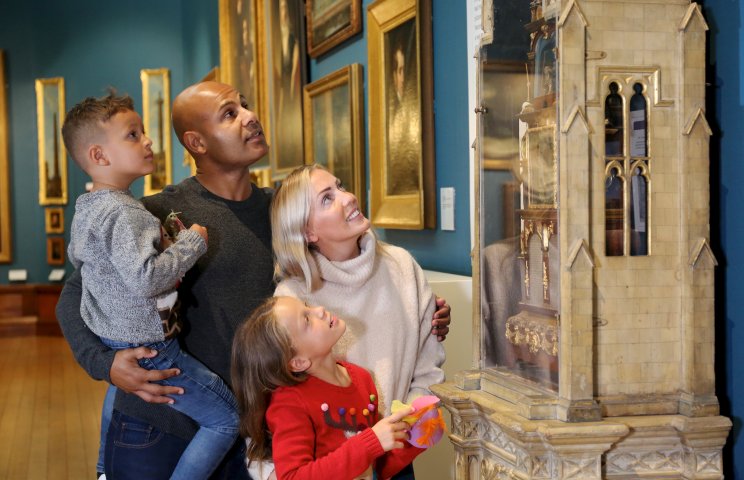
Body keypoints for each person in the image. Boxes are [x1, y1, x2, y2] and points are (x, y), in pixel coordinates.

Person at [56, 80, 450, 480]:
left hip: (254, 434)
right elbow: (74, 295)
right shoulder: (155, 212)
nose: (250, 117)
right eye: (230, 114)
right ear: (198, 142)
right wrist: (105, 364)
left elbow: (335, 279)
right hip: (162, 421)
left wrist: (420, 312)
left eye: (245, 106)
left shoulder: (282, 213)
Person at [62, 92, 241, 480]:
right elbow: (146, 279)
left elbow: (83, 263)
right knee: (227, 419)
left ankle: (102, 469)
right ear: (99, 156)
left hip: (117, 338)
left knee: (119, 397)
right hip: (152, 344)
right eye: (132, 134)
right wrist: (192, 243)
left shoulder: (89, 207)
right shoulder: (127, 213)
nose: (148, 141)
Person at [272, 164, 446, 479]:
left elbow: (427, 360)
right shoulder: (291, 297)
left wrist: (409, 418)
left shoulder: (402, 266)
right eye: (327, 198)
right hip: (333, 465)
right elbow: (292, 397)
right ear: (308, 232)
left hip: (397, 453)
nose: (348, 197)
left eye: (340, 187)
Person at [231, 296, 425, 480]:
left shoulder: (362, 378)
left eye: (307, 305)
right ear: (298, 362)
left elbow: (376, 468)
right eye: (307, 319)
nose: (320, 310)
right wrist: (370, 443)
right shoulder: (289, 403)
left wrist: (415, 439)